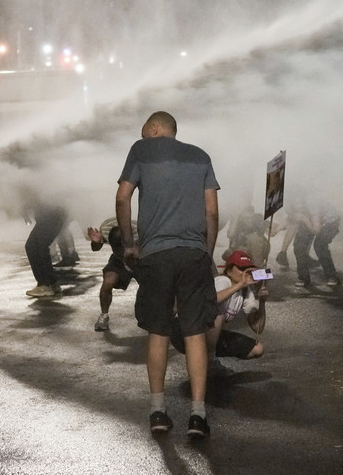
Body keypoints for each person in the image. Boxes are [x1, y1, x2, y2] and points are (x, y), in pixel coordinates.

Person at [116, 111, 219, 439]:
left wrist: (129, 245)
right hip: (193, 254)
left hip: (156, 255)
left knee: (159, 332)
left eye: (144, 128)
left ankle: (158, 412)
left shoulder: (141, 150)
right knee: (194, 334)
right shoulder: (201, 157)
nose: (141, 134)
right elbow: (212, 211)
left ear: (157, 127)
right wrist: (207, 251)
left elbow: (122, 197)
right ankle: (198, 415)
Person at [205, 250, 267, 368]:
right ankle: (209, 361)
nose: (245, 273)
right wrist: (240, 285)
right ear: (229, 271)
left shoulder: (245, 291)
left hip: (210, 339)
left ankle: (209, 359)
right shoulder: (223, 281)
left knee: (258, 349)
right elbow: (213, 300)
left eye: (248, 270)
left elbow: (257, 327)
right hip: (188, 333)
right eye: (241, 269)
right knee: (219, 312)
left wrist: (262, 301)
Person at [87, 217, 137, 331]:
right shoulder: (106, 229)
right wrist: (96, 242)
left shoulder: (140, 233)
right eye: (117, 248)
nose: (122, 251)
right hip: (118, 261)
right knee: (108, 283)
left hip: (139, 258)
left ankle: (160, 315)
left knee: (152, 287)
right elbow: (95, 248)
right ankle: (104, 315)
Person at [22, 198, 70, 298]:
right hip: (52, 215)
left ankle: (45, 285)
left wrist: (24, 209)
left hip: (51, 215)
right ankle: (51, 283)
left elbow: (36, 195)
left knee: (35, 246)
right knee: (36, 246)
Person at [294, 195, 341, 287]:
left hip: (330, 222)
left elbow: (316, 230)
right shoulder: (291, 204)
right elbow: (290, 219)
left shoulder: (312, 204)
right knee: (298, 245)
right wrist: (276, 229)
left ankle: (331, 276)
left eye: (300, 204)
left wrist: (304, 219)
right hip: (310, 220)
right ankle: (303, 278)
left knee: (319, 245)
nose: (298, 206)